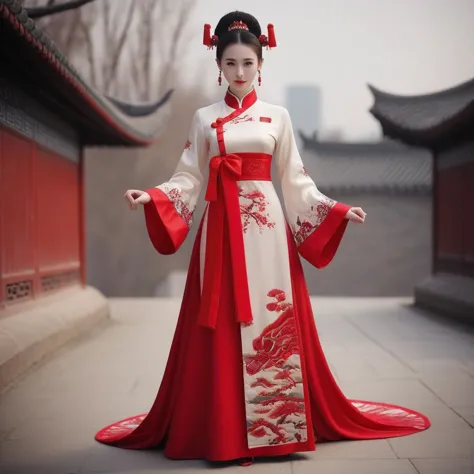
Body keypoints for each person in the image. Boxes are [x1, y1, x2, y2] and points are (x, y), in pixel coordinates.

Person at [95, 10, 430, 466]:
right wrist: (153, 197)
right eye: (230, 64)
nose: (239, 72)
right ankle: (220, 429)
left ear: (260, 65)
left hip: (267, 232)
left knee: (270, 320)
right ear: (219, 66)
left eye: (247, 64)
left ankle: (279, 429)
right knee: (220, 320)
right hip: (219, 233)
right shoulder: (203, 118)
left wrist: (335, 210)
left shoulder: (278, 118)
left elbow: (295, 181)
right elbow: (188, 178)